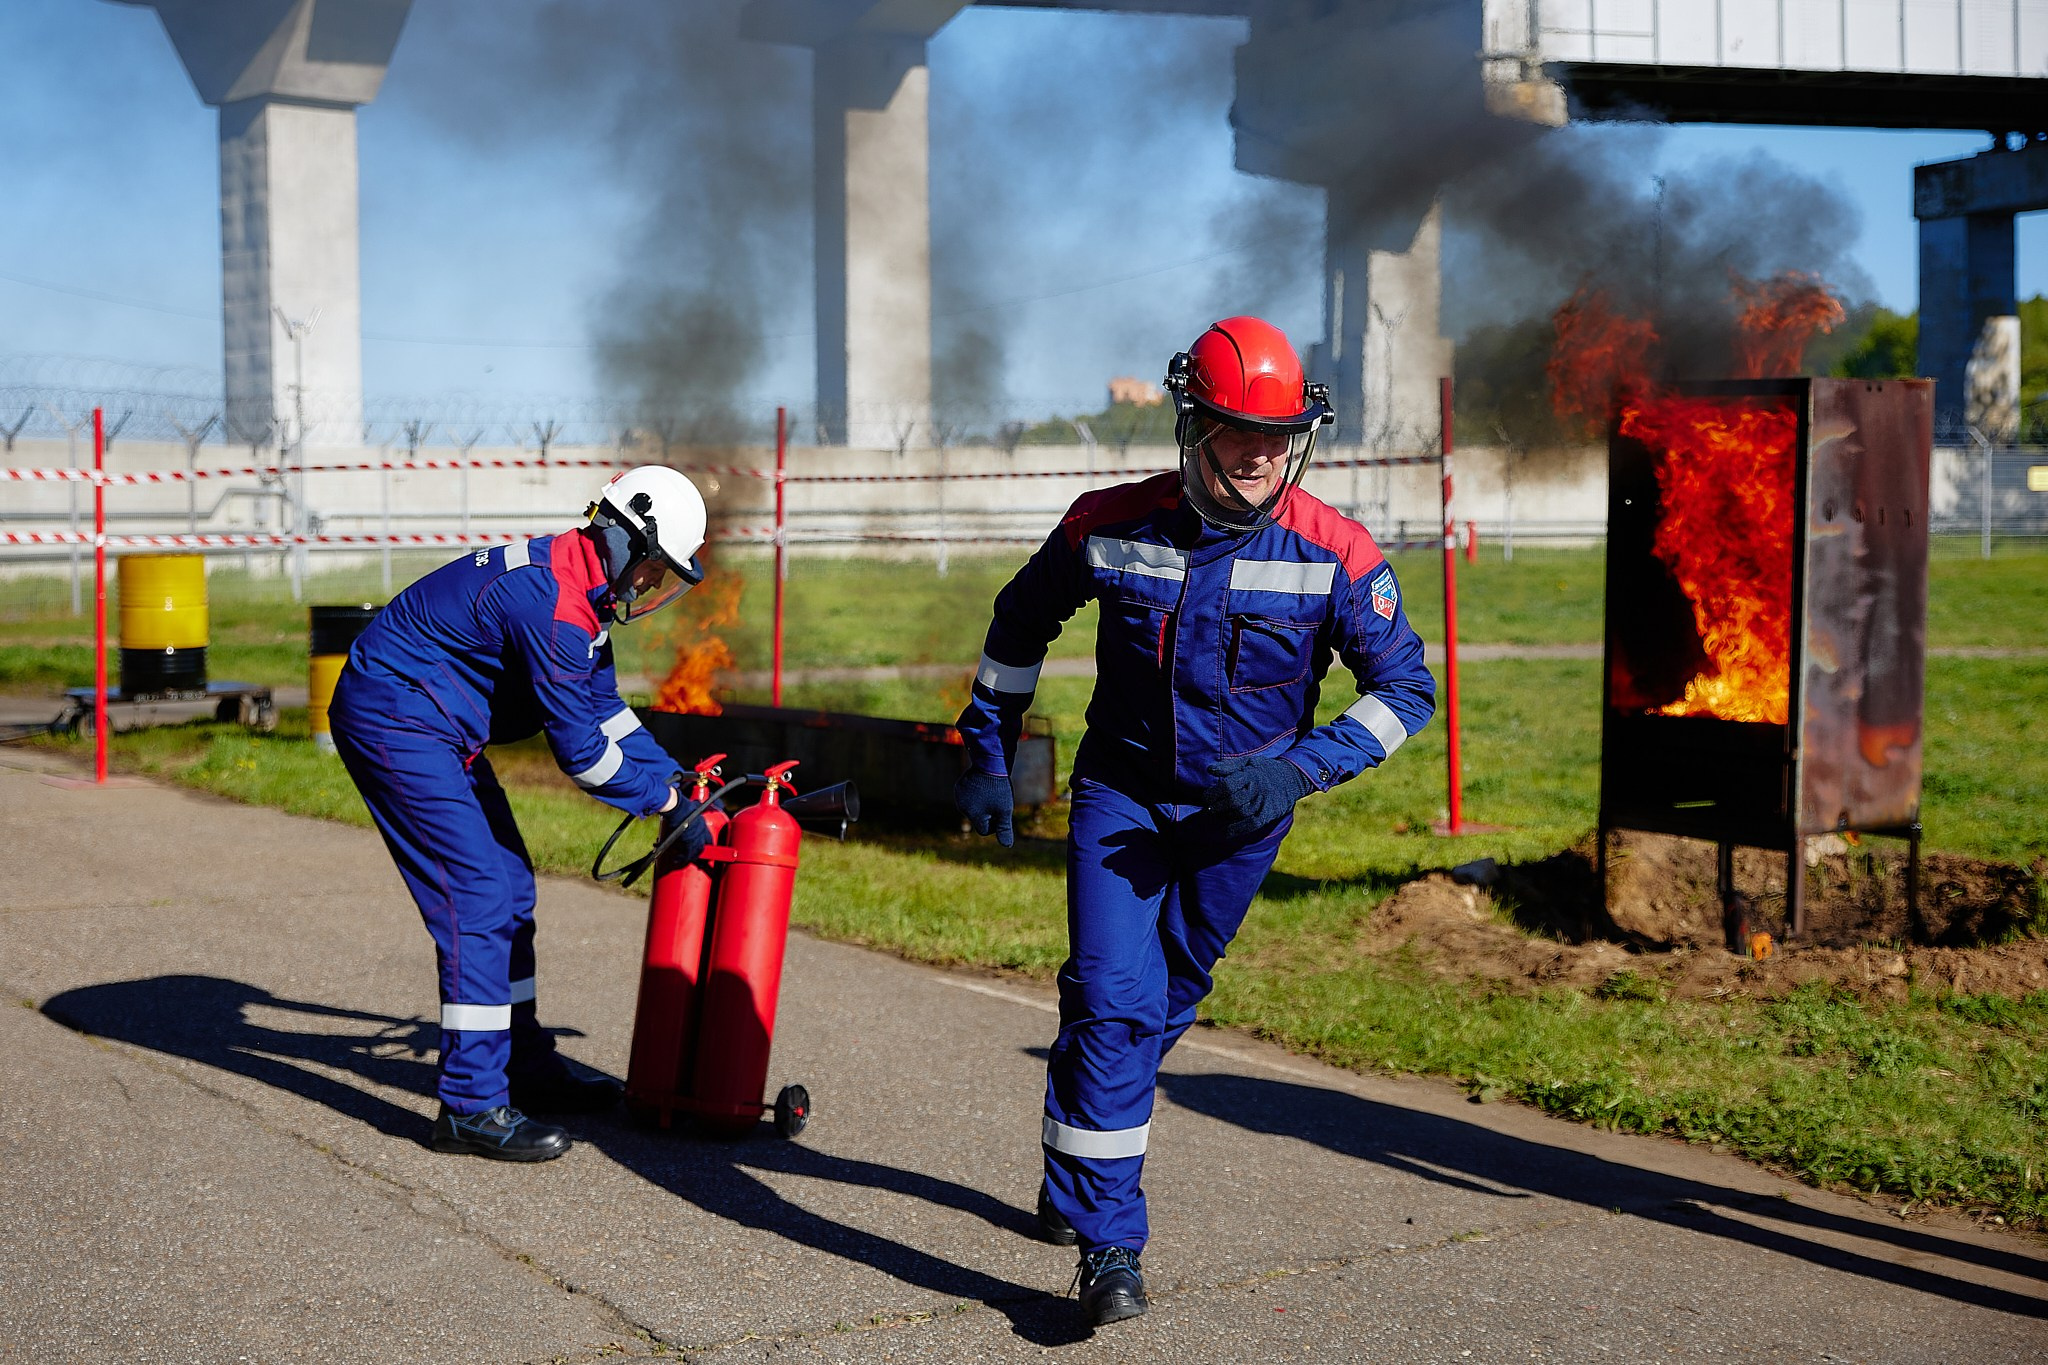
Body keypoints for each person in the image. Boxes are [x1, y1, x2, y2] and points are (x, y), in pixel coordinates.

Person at [952, 317, 1436, 1328]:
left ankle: (1071, 1152)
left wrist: (1299, 770)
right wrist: (988, 757)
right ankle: (1108, 1248)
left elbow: (1404, 691)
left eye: (1279, 431)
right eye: (1234, 428)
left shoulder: (1335, 550)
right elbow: (1016, 623)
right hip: (1120, 802)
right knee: (1110, 997)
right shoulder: (1107, 524)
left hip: (1239, 821)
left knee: (1159, 1003)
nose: (1259, 450)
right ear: (1191, 425)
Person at [331, 466, 711, 1163]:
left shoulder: (581, 590)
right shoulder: (556, 602)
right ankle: (470, 1106)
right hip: (395, 716)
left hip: (435, 721)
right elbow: (581, 751)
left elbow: (609, 713)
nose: (654, 585)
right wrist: (664, 805)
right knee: (476, 895)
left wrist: (681, 782)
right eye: (656, 568)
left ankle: (523, 1065)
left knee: (513, 886)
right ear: (628, 540)